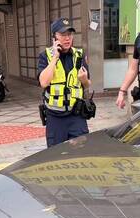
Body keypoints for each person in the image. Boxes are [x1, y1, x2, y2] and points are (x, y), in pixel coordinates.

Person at [37, 18, 91, 147]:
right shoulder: (45, 56)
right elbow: (43, 82)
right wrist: (55, 58)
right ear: (54, 37)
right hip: (55, 118)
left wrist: (84, 80)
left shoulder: (79, 55)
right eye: (63, 35)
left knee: (81, 153)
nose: (67, 38)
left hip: (77, 116)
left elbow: (88, 84)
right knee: (57, 155)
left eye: (70, 34)